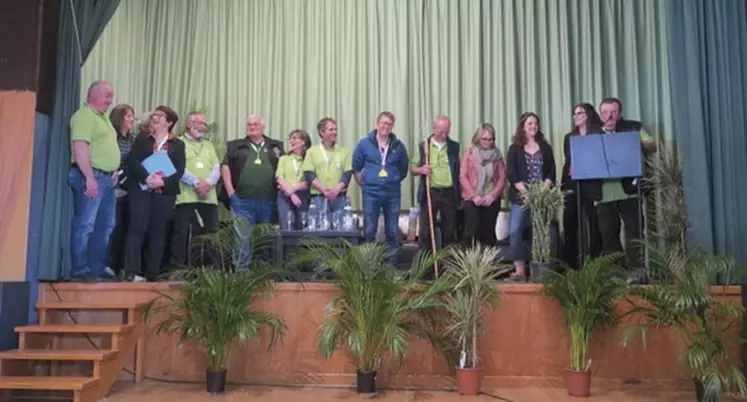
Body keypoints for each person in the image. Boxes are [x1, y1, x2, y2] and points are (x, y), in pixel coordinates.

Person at [592, 97, 657, 271]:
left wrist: (635, 141)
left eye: (613, 112)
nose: (609, 116)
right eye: (605, 112)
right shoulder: (593, 134)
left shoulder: (633, 127)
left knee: (635, 234)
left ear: (620, 113)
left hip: (630, 190)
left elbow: (652, 145)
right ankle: (616, 273)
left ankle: (638, 271)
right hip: (604, 192)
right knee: (609, 235)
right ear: (600, 115)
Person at [124, 106, 185, 282]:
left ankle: (152, 272)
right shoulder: (142, 140)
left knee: (157, 232)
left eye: (161, 115)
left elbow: (179, 170)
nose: (155, 117)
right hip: (141, 190)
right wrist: (146, 177)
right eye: (155, 115)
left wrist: (163, 182)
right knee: (136, 228)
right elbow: (132, 162)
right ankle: (131, 271)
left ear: (169, 122)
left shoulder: (178, 144)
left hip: (164, 192)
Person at [68, 80, 120, 281]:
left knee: (106, 225)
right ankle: (80, 270)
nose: (110, 100)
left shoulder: (103, 118)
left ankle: (96, 269)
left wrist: (113, 169)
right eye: (107, 95)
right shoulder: (84, 116)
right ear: (94, 95)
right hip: (91, 175)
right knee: (86, 224)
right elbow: (80, 147)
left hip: (106, 178)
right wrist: (89, 177)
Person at [220, 113, 284, 270]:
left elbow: (284, 168)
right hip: (241, 200)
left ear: (263, 127)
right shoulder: (235, 145)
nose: (251, 127)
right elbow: (225, 167)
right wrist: (230, 192)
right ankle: (242, 273)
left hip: (269, 200)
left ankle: (263, 271)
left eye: (255, 124)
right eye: (249, 124)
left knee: (265, 237)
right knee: (242, 238)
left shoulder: (276, 146)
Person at [352, 111, 409, 267]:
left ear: (392, 127)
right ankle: (368, 265)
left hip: (392, 194)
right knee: (370, 229)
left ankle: (392, 267)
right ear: (377, 124)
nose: (386, 126)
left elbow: (404, 169)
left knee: (392, 230)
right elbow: (355, 167)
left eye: (389, 124)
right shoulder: (364, 144)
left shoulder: (399, 146)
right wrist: (365, 184)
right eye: (383, 123)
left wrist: (392, 179)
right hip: (371, 193)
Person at [505, 112, 556, 281]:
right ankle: (519, 270)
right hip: (521, 197)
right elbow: (511, 174)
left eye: (535, 123)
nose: (533, 126)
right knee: (514, 231)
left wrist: (542, 191)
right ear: (523, 127)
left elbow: (551, 171)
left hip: (542, 197)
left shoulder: (545, 147)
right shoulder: (514, 148)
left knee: (541, 234)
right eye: (529, 124)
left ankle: (539, 270)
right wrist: (526, 193)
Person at [170, 112, 221, 267]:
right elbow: (178, 167)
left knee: (211, 234)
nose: (203, 127)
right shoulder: (178, 143)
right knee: (182, 234)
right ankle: (178, 269)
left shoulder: (209, 145)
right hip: (186, 197)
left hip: (208, 198)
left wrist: (207, 184)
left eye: (204, 124)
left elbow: (216, 167)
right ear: (190, 124)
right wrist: (197, 183)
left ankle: (211, 270)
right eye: (200, 124)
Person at [560, 103, 604, 268]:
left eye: (580, 112)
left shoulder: (598, 134)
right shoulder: (569, 137)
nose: (576, 116)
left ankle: (596, 261)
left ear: (589, 115)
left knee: (595, 222)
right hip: (572, 182)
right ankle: (571, 263)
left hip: (592, 183)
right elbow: (568, 160)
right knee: (570, 221)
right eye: (575, 113)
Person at [410, 115, 461, 251]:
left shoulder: (454, 147)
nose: (444, 135)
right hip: (430, 192)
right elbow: (412, 168)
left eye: (447, 131)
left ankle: (447, 266)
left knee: (449, 231)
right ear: (434, 129)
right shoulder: (423, 146)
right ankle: (426, 267)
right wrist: (421, 169)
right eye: (441, 131)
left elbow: (459, 169)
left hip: (449, 192)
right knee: (426, 231)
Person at [460, 123, 506, 246]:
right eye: (484, 139)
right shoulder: (469, 153)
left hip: (490, 200)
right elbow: (463, 176)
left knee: (488, 233)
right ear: (478, 138)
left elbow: (502, 177)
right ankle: (470, 263)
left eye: (490, 139)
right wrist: (474, 196)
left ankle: (487, 263)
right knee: (472, 231)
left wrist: (492, 195)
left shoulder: (497, 155)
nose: (487, 142)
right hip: (472, 199)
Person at [107, 104, 136, 277]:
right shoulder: (112, 138)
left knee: (125, 230)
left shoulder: (132, 140)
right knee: (113, 228)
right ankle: (108, 264)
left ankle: (121, 266)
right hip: (114, 189)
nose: (132, 120)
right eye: (129, 116)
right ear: (120, 118)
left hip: (129, 190)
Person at [302, 118, 352, 216]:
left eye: (335, 129)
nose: (335, 132)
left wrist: (336, 190)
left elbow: (347, 174)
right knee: (320, 229)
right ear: (321, 132)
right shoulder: (311, 152)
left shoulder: (345, 152)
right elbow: (309, 174)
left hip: (339, 198)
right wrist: (324, 190)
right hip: (318, 197)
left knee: (340, 229)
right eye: (331, 129)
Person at [276, 129, 312, 230]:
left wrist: (293, 189)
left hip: (303, 195)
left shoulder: (309, 158)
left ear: (304, 141)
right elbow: (279, 178)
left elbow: (309, 181)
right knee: (286, 226)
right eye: (290, 139)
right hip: (285, 195)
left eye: (295, 138)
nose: (291, 141)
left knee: (302, 226)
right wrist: (291, 193)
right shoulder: (284, 158)